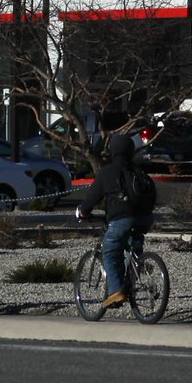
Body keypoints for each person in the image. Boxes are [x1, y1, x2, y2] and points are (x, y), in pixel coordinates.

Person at [76, 132, 157, 309]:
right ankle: (136, 267)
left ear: (113, 151)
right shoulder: (139, 171)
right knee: (130, 245)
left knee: (111, 252)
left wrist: (82, 212)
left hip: (122, 219)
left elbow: (92, 198)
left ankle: (116, 291)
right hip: (145, 218)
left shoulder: (108, 172)